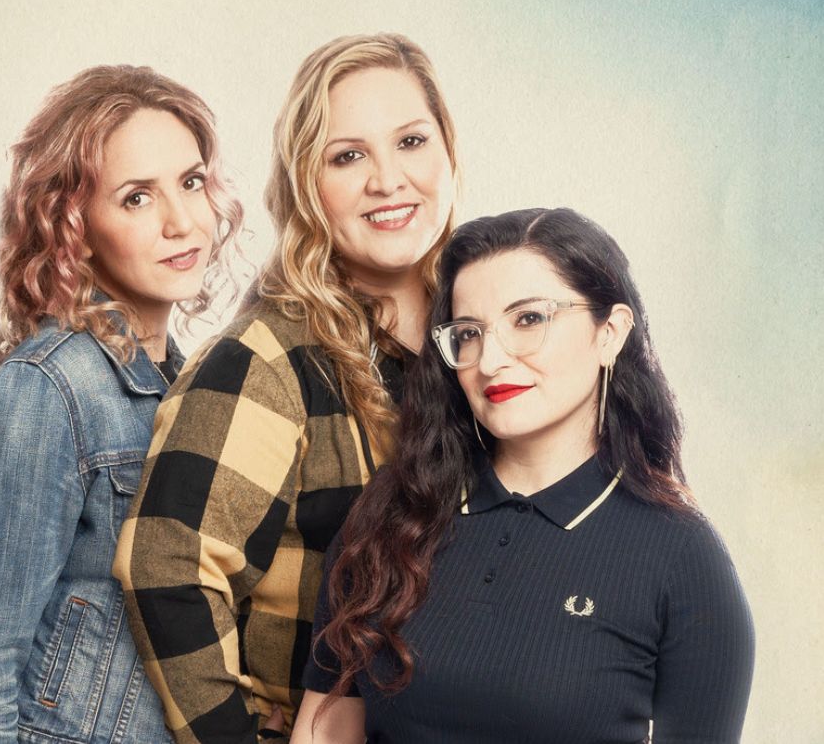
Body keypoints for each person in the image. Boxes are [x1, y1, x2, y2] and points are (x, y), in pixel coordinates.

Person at [294, 208, 756, 743]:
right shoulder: (389, 517)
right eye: (469, 333)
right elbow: (324, 733)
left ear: (610, 332)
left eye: (529, 319)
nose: (490, 360)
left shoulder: (681, 556)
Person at [113, 33, 458, 742]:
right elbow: (165, 563)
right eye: (348, 155)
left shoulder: (483, 339)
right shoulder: (270, 355)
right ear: (306, 183)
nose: (388, 179)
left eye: (412, 141)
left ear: (449, 151)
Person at [0, 65, 243, 744]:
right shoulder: (52, 388)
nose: (181, 221)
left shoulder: (186, 387)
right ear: (72, 223)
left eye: (190, 182)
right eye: (136, 198)